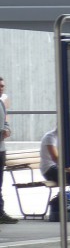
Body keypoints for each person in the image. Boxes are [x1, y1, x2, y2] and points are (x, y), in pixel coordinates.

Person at [0, 75, 15, 224]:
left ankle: (1, 212)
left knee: (0, 182)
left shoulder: (2, 104)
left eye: (3, 86)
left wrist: (7, 130)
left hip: (1, 149)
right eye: (0, 86)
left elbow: (6, 121)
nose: (2, 88)